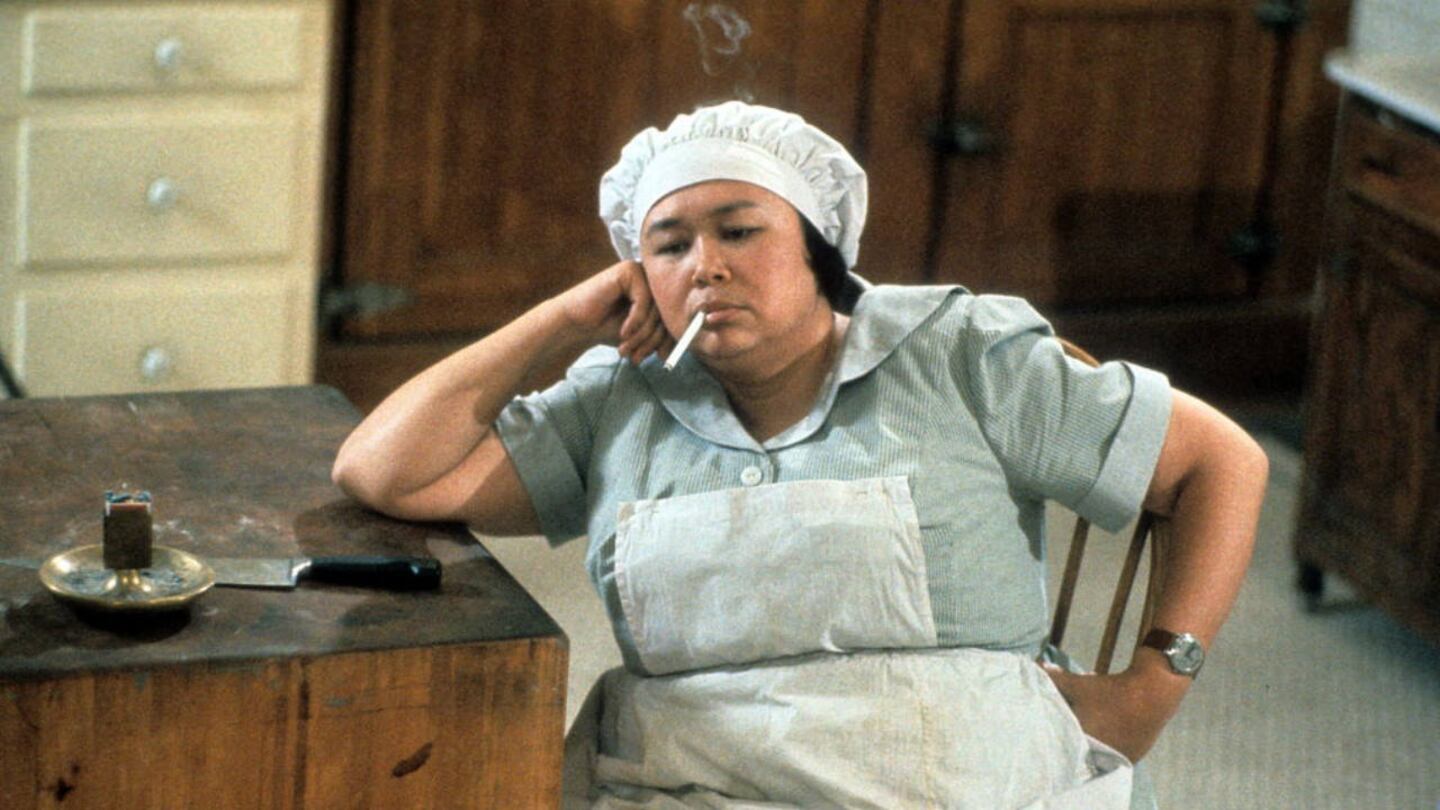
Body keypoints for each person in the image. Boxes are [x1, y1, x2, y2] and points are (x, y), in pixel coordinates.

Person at [332, 102, 1269, 809]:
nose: (705, 265)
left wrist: (1152, 688)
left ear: (821, 249)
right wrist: (563, 317)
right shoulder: (620, 401)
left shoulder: (957, 355)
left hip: (965, 785)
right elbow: (385, 471)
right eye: (668, 245)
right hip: (692, 786)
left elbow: (1221, 462)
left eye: (740, 230)